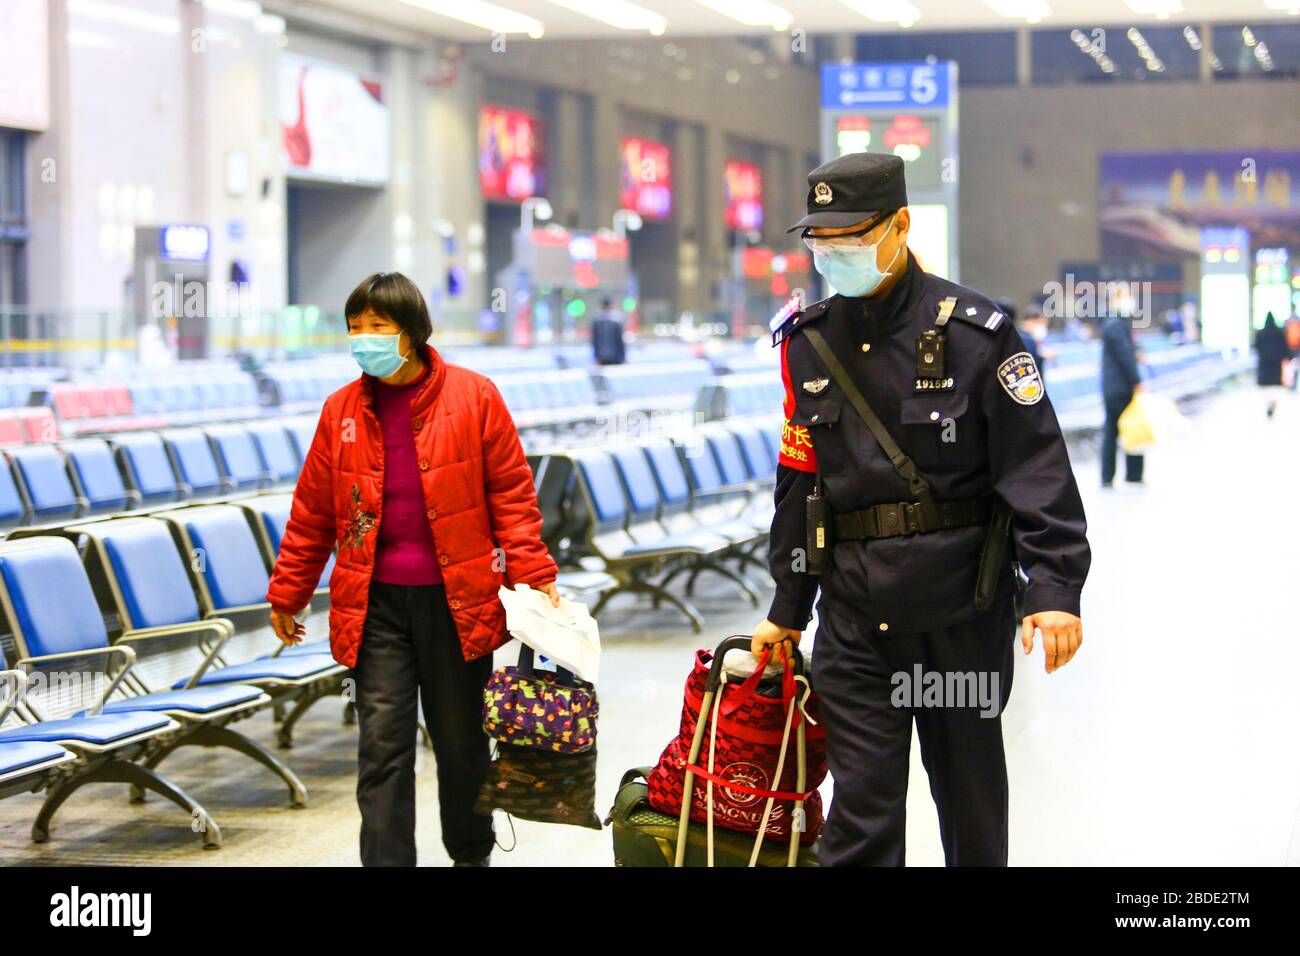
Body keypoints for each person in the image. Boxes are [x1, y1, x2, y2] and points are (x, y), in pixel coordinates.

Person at [752, 153, 1090, 866]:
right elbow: (798, 480)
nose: (833, 257)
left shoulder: (978, 335)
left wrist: (1056, 587)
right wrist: (787, 605)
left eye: (849, 241)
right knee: (862, 814)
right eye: (820, 244)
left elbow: (1034, 464)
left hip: (958, 615)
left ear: (900, 225)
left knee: (969, 803)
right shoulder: (806, 344)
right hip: (853, 621)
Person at [266, 271, 561, 867]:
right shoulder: (340, 410)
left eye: (378, 326)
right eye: (355, 328)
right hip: (375, 606)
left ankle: (470, 855)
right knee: (382, 748)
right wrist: (289, 592)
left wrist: (534, 576)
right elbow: (314, 511)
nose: (364, 338)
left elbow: (512, 495)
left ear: (412, 332)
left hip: (459, 603)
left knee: (460, 746)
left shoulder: (474, 396)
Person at [1100, 313, 1144, 486]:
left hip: (1113, 387)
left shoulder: (1113, 324)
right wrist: (1136, 381)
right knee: (1131, 428)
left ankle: (1108, 476)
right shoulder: (1116, 325)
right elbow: (1125, 355)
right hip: (1121, 387)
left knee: (1112, 431)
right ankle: (1133, 474)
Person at [1255, 311, 1293, 418]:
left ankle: (1269, 404)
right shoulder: (1280, 332)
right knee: (1275, 388)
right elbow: (1285, 347)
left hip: (1264, 365)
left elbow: (1256, 347)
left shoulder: (1260, 333)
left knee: (1266, 388)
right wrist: (1288, 357)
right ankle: (1272, 404)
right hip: (1276, 366)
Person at [1018, 304, 1055, 381]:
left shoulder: (1032, 339)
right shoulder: (1024, 339)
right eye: (1040, 323)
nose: (1042, 327)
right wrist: (1041, 357)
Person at [591, 296, 627, 365]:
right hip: (616, 356)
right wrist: (623, 356)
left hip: (601, 356)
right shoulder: (617, 320)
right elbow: (620, 340)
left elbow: (594, 340)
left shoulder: (597, 320)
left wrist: (596, 356)